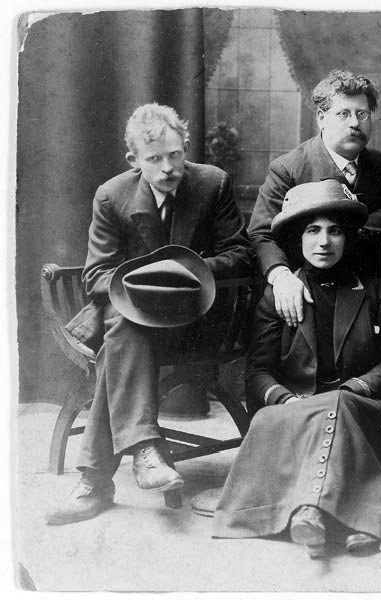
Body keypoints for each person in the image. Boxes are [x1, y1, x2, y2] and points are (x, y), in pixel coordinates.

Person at [46, 103, 253, 525]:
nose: (167, 169)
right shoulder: (112, 194)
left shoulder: (213, 184)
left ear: (186, 148)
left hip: (198, 318)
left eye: (175, 155)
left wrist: (186, 271)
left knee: (117, 338)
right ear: (134, 161)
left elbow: (241, 255)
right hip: (134, 322)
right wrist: (142, 288)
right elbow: (97, 276)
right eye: (154, 159)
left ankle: (96, 481)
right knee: (124, 321)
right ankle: (145, 451)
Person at [214, 180, 381, 558]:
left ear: (347, 238)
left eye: (334, 231)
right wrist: (286, 400)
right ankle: (353, 519)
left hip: (361, 410)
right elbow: (257, 372)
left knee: (336, 407)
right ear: (298, 240)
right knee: (276, 418)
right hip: (298, 413)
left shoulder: (374, 289)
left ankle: (310, 513)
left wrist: (354, 389)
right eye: (313, 231)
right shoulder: (279, 294)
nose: (324, 242)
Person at [247, 68, 381, 327]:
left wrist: (352, 227)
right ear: (321, 117)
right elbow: (260, 234)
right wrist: (281, 277)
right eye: (343, 114)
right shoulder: (290, 168)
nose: (354, 123)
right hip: (306, 294)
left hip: (365, 292)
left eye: (362, 114)